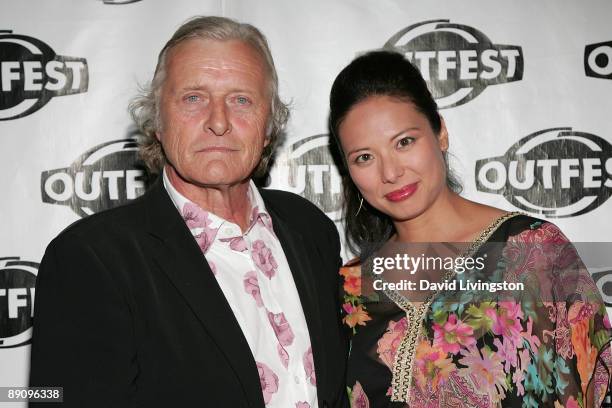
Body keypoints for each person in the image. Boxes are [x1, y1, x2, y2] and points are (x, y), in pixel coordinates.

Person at [30, 16, 348, 408]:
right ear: (157, 122)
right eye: (193, 98)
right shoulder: (91, 259)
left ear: (268, 127)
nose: (218, 122)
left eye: (241, 99)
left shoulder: (310, 228)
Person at [328, 50, 612, 407]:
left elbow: (598, 387)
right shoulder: (351, 287)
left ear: (440, 132)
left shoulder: (534, 251)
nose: (390, 172)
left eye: (404, 142)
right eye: (364, 157)